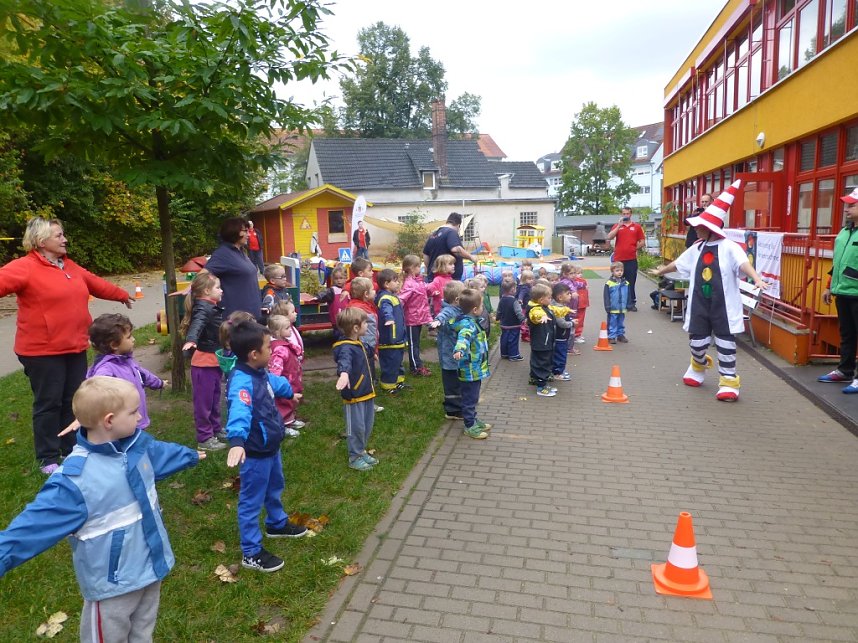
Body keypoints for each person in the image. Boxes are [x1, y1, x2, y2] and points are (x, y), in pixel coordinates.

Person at [0, 377, 204, 642]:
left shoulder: (135, 447)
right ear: (109, 421)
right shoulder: (75, 482)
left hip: (151, 569)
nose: (140, 416)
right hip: (112, 587)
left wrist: (189, 455)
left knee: (143, 633)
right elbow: (32, 528)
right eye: (134, 412)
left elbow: (159, 455)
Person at [0, 216, 133, 474]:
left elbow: (95, 283)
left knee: (73, 401)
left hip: (74, 346)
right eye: (59, 236)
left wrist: (121, 295)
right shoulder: (25, 267)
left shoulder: (68, 265)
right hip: (41, 351)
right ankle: (47, 457)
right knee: (49, 403)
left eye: (63, 234)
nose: (65, 239)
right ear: (41, 241)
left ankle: (70, 447)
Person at [652, 180, 768, 402]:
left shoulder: (730, 247)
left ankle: (729, 381)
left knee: (725, 343)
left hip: (722, 305)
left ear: (710, 227)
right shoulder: (697, 247)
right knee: (697, 343)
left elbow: (744, 264)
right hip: (699, 303)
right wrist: (661, 271)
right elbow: (678, 263)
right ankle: (698, 365)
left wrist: (756, 279)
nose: (696, 229)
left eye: (699, 226)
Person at [225, 320, 307, 573]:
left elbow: (273, 382)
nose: (272, 351)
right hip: (255, 452)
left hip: (271, 446)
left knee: (274, 487)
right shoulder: (241, 382)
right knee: (251, 501)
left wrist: (289, 392)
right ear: (254, 354)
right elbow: (239, 411)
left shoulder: (258, 373)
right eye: (268, 347)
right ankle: (251, 552)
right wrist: (237, 441)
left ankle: (276, 523)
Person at [87, 313, 167, 431]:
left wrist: (159, 383)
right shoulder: (106, 369)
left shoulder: (126, 360)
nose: (133, 339)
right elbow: (96, 389)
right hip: (121, 427)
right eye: (129, 337)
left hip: (136, 420)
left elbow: (143, 374)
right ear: (114, 344)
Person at [180, 271, 226, 451]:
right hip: (203, 364)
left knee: (214, 399)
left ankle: (216, 429)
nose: (221, 291)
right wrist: (191, 340)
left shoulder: (210, 306)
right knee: (204, 403)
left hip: (213, 361)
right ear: (207, 291)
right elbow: (197, 324)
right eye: (218, 287)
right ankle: (205, 438)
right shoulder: (203, 308)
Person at [818, 187, 858, 391]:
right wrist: (828, 286)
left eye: (852, 205)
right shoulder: (844, 232)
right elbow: (838, 263)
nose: (846, 209)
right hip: (842, 292)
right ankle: (845, 371)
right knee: (847, 334)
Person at [333, 307, 378, 470]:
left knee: (366, 425)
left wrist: (372, 353)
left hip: (366, 392)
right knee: (356, 427)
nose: (368, 325)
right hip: (354, 395)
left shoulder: (359, 343)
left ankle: (361, 450)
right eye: (365, 323)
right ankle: (354, 457)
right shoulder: (345, 347)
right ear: (356, 328)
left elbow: (366, 350)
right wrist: (344, 374)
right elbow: (344, 361)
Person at [451, 289, 491, 439]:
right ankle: (469, 425)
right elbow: (464, 338)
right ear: (474, 310)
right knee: (470, 398)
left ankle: (473, 419)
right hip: (469, 370)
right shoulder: (468, 326)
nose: (483, 308)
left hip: (475, 368)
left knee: (473, 397)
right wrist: (459, 350)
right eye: (481, 306)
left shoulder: (473, 322)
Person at [205, 217, 261, 319]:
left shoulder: (240, 251)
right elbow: (202, 276)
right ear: (234, 232)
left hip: (250, 317)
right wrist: (190, 289)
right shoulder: (223, 254)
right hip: (235, 320)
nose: (249, 235)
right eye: (245, 231)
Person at [346, 277, 383, 413]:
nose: (375, 292)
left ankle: (360, 398)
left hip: (360, 349)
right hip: (364, 350)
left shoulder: (356, 306)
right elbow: (368, 334)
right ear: (366, 294)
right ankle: (367, 402)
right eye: (373, 290)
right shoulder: (362, 311)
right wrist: (372, 351)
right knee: (367, 377)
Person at [431, 280, 466, 420]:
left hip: (457, 353)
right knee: (452, 383)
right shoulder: (449, 310)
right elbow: (442, 316)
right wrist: (437, 321)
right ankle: (453, 410)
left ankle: (460, 404)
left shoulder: (459, 310)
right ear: (457, 299)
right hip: (449, 355)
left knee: (458, 381)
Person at [267, 314, 304, 435]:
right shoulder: (279, 348)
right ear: (278, 332)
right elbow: (275, 368)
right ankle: (283, 424)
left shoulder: (285, 343)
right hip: (285, 380)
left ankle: (290, 419)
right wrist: (276, 381)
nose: (290, 330)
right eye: (287, 328)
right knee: (283, 402)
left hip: (291, 378)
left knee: (291, 401)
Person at [398, 254, 432, 376]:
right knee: (412, 344)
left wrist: (432, 289)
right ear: (412, 268)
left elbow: (423, 290)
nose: (420, 268)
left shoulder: (417, 281)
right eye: (418, 266)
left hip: (418, 318)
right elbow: (401, 299)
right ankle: (415, 367)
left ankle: (418, 364)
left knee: (416, 343)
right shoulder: (409, 284)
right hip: (411, 319)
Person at [606, 207, 645, 311]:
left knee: (631, 282)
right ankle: (617, 302)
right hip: (618, 259)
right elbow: (609, 237)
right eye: (624, 214)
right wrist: (619, 226)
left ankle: (631, 303)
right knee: (617, 281)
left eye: (627, 214)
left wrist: (633, 248)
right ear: (621, 214)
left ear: (630, 214)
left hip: (631, 259)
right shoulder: (617, 226)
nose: (625, 215)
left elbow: (642, 241)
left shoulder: (636, 227)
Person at [375, 269, 407, 394]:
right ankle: (388, 386)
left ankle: (398, 381)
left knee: (398, 362)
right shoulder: (385, 298)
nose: (398, 283)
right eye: (395, 281)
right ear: (386, 284)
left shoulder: (392, 296)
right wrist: (389, 318)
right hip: (390, 339)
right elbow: (386, 309)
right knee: (390, 363)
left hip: (397, 338)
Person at [422, 212, 477, 281]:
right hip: (448, 280)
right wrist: (471, 257)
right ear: (458, 225)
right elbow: (455, 249)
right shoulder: (451, 232)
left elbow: (425, 255)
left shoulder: (433, 234)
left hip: (433, 277)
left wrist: (432, 269)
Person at [526, 283, 557, 397]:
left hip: (544, 341)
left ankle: (537, 381)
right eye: (549, 297)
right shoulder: (535, 310)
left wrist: (566, 310)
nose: (551, 299)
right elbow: (536, 314)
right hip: (542, 342)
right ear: (541, 300)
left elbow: (555, 310)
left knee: (540, 361)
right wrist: (542, 316)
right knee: (542, 363)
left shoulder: (545, 307)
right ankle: (541, 387)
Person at [315, 265, 349, 340]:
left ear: (346, 278)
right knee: (339, 336)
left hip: (348, 319)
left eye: (341, 278)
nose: (338, 280)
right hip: (337, 321)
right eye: (336, 278)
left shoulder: (348, 290)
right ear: (333, 279)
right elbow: (325, 294)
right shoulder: (332, 290)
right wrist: (318, 297)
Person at [551, 282, 576, 381]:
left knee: (560, 354)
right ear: (560, 297)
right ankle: (557, 372)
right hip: (560, 337)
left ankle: (559, 370)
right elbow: (561, 323)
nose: (570, 295)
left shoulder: (560, 306)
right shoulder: (558, 309)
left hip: (561, 336)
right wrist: (572, 323)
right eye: (568, 293)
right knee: (560, 355)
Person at [496, 278, 525, 361]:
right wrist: (523, 320)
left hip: (504, 324)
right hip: (514, 324)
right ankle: (513, 355)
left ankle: (504, 353)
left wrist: (498, 317)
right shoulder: (514, 301)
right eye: (515, 288)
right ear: (512, 290)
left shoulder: (502, 300)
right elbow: (518, 312)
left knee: (504, 339)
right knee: (513, 340)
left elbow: (499, 310)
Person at [604, 261, 630, 344]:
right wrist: (607, 306)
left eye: (621, 270)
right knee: (612, 322)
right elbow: (606, 296)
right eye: (617, 270)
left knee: (620, 322)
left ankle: (620, 335)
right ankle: (611, 336)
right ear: (612, 271)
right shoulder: (609, 283)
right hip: (613, 307)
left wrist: (629, 304)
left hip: (622, 307)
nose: (619, 272)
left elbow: (629, 294)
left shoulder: (626, 283)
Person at [570, 265, 590, 347]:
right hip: (577, 304)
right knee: (577, 319)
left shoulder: (583, 281)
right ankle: (575, 335)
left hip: (583, 303)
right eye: (578, 273)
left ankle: (578, 334)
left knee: (581, 320)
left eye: (581, 273)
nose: (580, 275)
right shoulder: (574, 282)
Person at [517, 269, 535, 343]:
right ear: (524, 280)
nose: (531, 280)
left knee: (528, 320)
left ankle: (527, 334)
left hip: (528, 306)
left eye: (532, 279)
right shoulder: (525, 287)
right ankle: (525, 335)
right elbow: (522, 294)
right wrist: (520, 299)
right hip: (525, 307)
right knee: (525, 320)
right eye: (529, 279)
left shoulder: (529, 286)